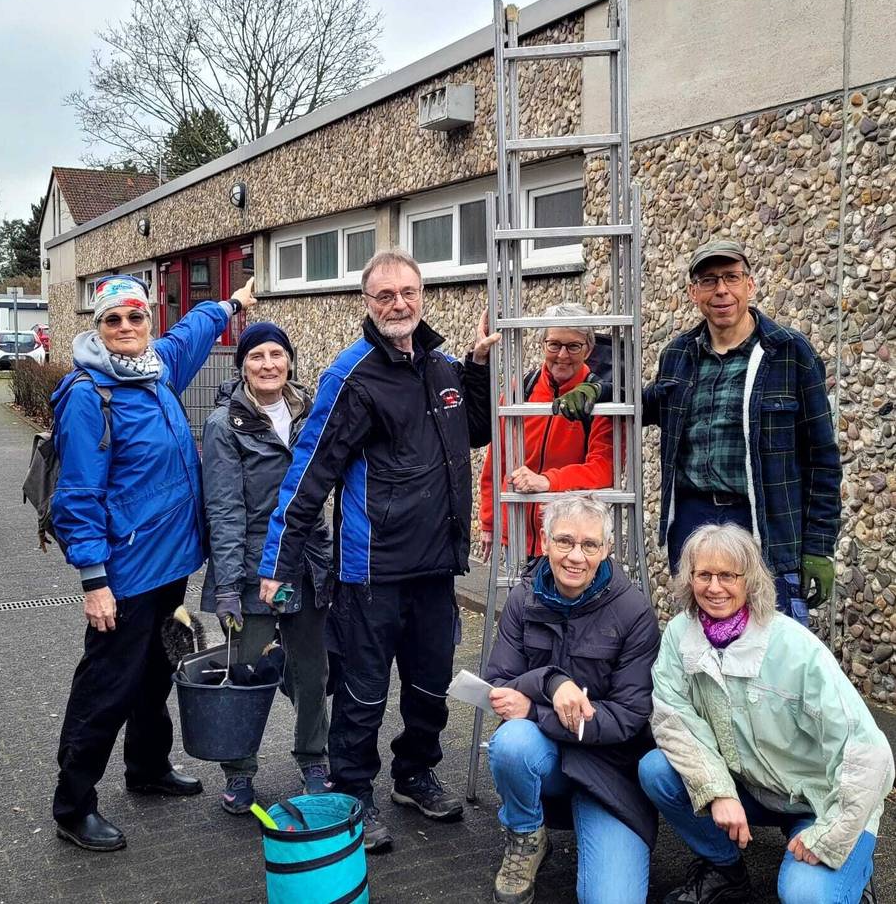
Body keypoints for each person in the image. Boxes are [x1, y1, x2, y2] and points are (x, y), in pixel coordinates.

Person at [258, 248, 498, 852]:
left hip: (436, 565)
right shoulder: (353, 376)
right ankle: (354, 793)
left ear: (422, 296)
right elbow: (310, 472)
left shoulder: (439, 367)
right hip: (373, 570)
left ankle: (415, 774)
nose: (398, 304)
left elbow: (474, 430)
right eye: (384, 295)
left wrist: (475, 366)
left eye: (408, 292)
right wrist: (278, 563)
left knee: (428, 681)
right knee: (364, 691)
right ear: (367, 302)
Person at [51, 273, 257, 852]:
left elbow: (192, 332)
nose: (124, 328)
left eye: (134, 317)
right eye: (112, 320)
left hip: (171, 566)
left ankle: (147, 768)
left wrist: (231, 305)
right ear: (97, 328)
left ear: (148, 323)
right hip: (123, 574)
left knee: (155, 673)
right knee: (106, 686)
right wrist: (94, 581)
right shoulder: (91, 396)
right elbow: (77, 497)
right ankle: (73, 805)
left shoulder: (156, 367)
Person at [556, 239, 842, 625]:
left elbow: (822, 457)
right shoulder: (680, 353)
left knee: (770, 646)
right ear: (694, 292)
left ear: (750, 285)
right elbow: (652, 402)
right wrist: (598, 389)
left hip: (764, 525)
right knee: (700, 637)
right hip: (694, 519)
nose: (721, 290)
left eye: (731, 278)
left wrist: (819, 547)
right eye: (709, 280)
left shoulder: (789, 353)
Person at [639, 523, 894, 904]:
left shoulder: (793, 646)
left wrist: (831, 836)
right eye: (704, 574)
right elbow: (674, 720)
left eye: (728, 575)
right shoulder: (680, 635)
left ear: (750, 580)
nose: (714, 586)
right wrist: (717, 792)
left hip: (822, 799)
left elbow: (870, 753)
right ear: (689, 579)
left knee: (804, 895)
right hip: (752, 786)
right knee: (657, 769)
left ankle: (852, 873)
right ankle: (724, 869)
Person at [485, 493, 660, 904]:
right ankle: (526, 836)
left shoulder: (634, 612)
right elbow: (501, 682)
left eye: (590, 545)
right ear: (544, 543)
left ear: (607, 549)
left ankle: (602, 833)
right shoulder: (522, 600)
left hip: (610, 772)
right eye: (564, 542)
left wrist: (533, 709)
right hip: (547, 760)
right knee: (511, 743)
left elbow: (628, 718)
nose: (575, 556)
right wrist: (550, 682)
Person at [200, 321, 333, 814]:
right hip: (252, 568)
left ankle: (314, 761)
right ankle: (239, 772)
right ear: (242, 367)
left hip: (307, 564)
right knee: (245, 670)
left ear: (290, 362)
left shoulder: (311, 414)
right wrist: (231, 585)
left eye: (277, 354)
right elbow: (225, 508)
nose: (268, 364)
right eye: (256, 356)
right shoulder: (223, 424)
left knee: (310, 671)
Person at [479, 303, 614, 562]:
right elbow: (497, 459)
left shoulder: (599, 397)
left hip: (570, 540)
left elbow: (603, 468)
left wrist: (548, 482)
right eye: (554, 345)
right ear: (542, 345)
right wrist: (489, 521)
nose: (562, 355)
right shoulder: (523, 389)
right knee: (519, 602)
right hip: (518, 534)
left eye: (573, 346)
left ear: (589, 348)